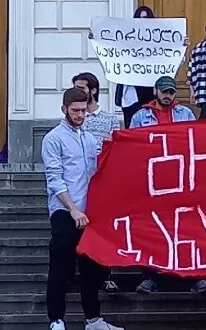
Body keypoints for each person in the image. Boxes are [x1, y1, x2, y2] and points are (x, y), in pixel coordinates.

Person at [41, 87, 124, 330]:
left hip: (91, 214)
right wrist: (73, 209)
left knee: (94, 270)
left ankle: (93, 319)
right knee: (61, 267)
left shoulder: (90, 140)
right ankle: (56, 320)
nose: (79, 114)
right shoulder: (53, 139)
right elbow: (54, 179)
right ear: (64, 109)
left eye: (83, 110)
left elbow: (101, 172)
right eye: (75, 110)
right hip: (64, 212)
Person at [130, 76, 206, 294]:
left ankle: (194, 277)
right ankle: (150, 277)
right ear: (156, 91)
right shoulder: (140, 116)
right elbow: (131, 147)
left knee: (187, 228)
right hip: (151, 182)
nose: (168, 96)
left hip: (181, 180)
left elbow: (196, 142)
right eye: (164, 92)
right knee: (152, 229)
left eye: (171, 92)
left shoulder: (185, 114)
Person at [73, 72, 122, 293]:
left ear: (93, 91)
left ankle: (105, 275)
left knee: (104, 230)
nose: (77, 91)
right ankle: (76, 276)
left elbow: (117, 149)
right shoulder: (74, 119)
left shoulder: (110, 119)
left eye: (82, 88)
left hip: (104, 183)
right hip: (78, 184)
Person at [111, 6, 158, 128]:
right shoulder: (125, 40)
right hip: (131, 93)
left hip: (151, 90)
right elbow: (109, 50)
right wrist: (96, 37)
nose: (143, 21)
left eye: (146, 18)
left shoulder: (159, 41)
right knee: (131, 126)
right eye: (140, 18)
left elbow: (170, 61)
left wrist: (180, 46)